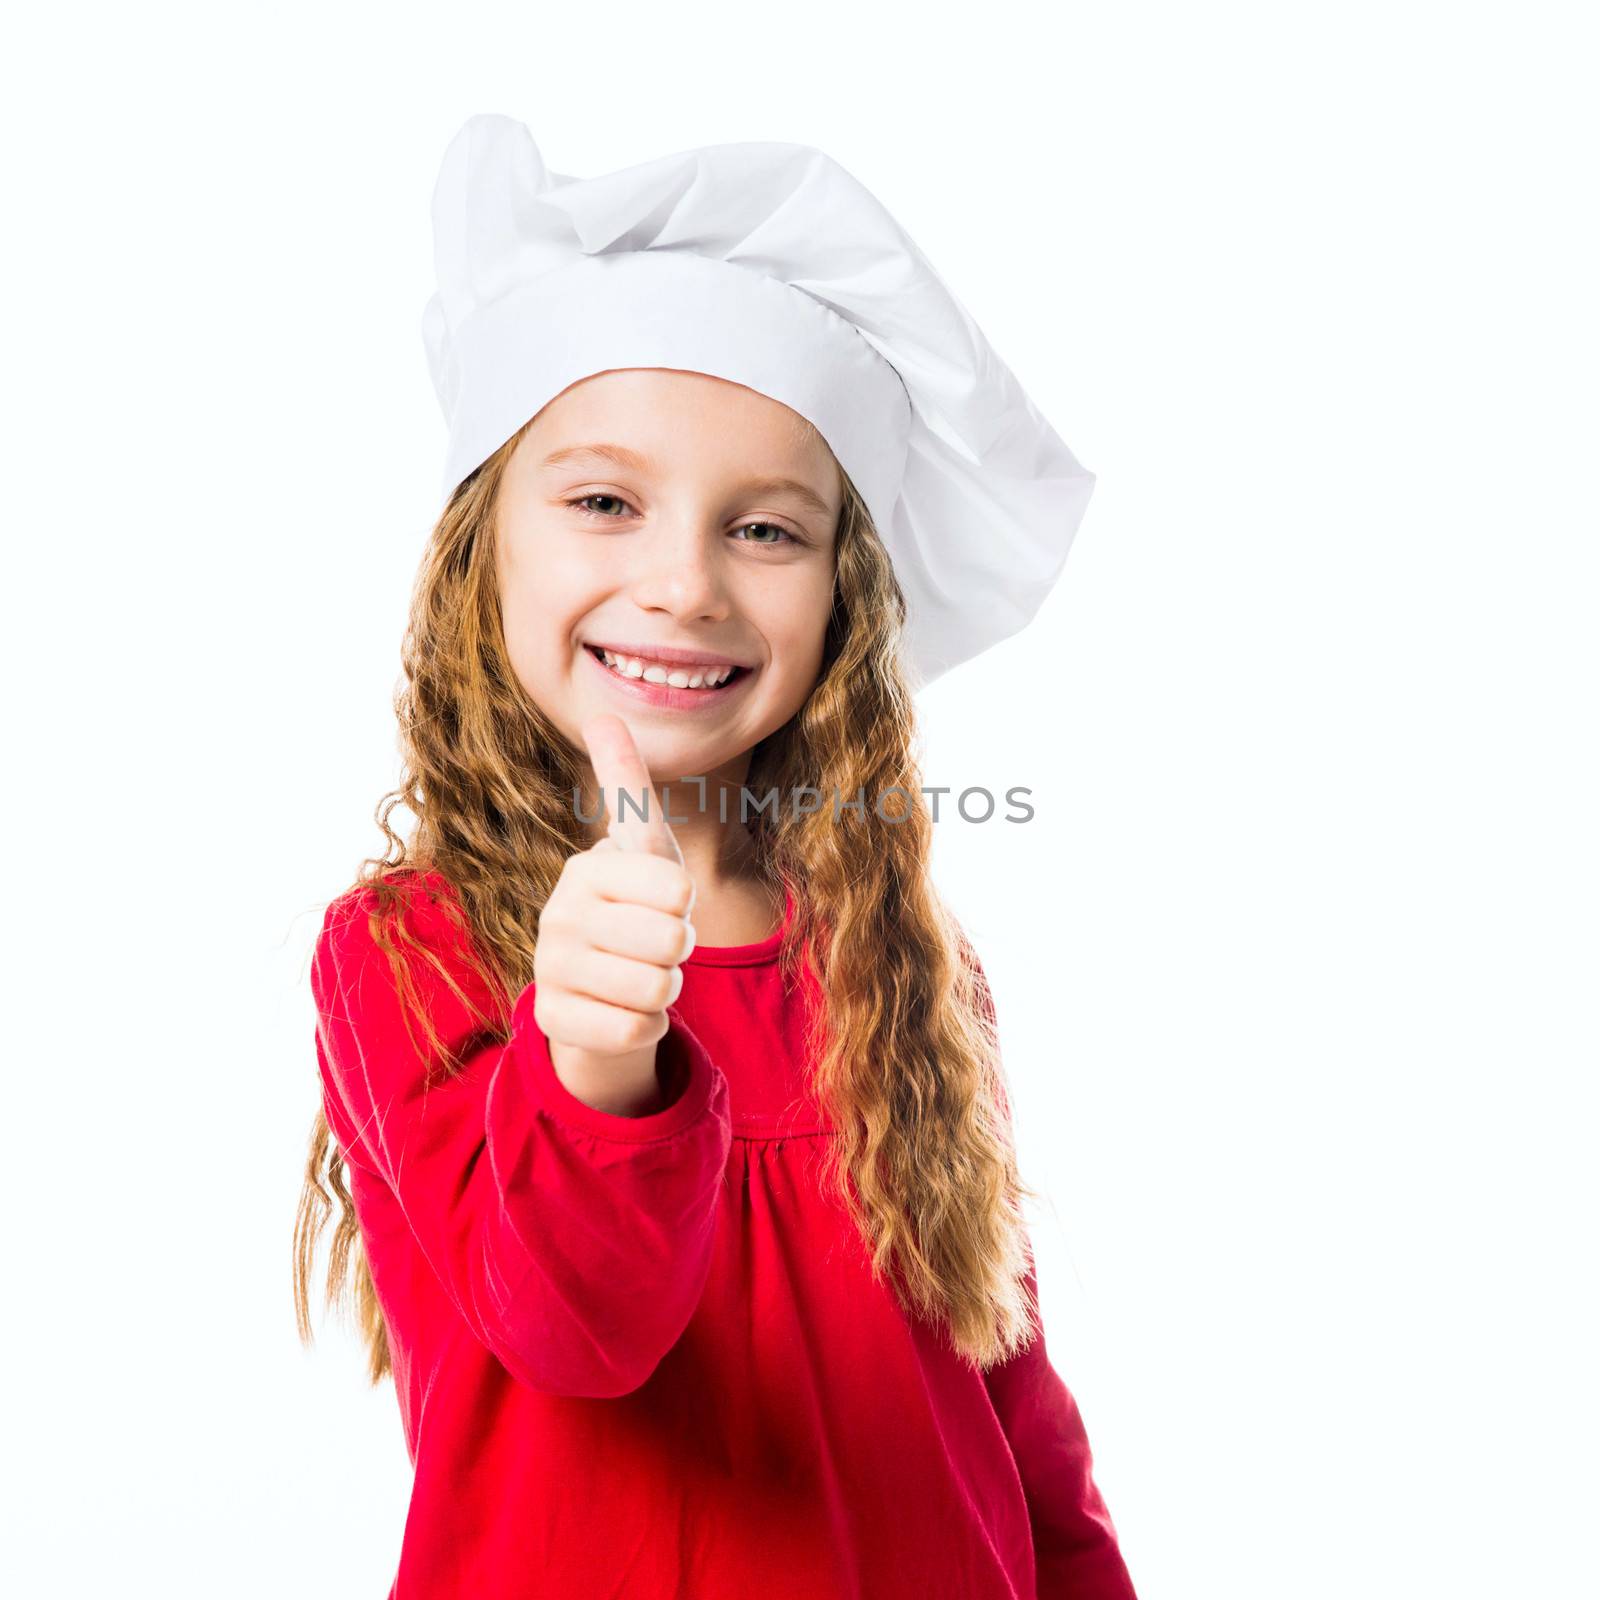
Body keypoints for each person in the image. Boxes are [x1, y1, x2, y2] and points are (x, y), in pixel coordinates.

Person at [293, 115, 1138, 1599]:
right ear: (483, 542)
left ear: (842, 599)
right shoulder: (413, 950)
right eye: (605, 500)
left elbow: (1013, 1420)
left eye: (765, 528)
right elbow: (575, 1327)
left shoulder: (902, 965)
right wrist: (598, 1059)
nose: (683, 583)